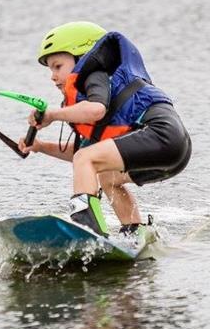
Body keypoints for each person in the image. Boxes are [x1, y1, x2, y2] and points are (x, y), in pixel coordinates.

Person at [18, 21, 191, 241]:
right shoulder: (103, 93)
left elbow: (96, 111)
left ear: (82, 58)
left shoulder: (95, 76)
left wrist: (52, 115)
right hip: (175, 152)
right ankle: (135, 233)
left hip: (162, 135)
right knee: (107, 175)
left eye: (58, 66)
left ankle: (88, 231)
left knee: (87, 159)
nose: (52, 76)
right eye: (51, 69)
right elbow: (87, 154)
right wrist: (41, 147)